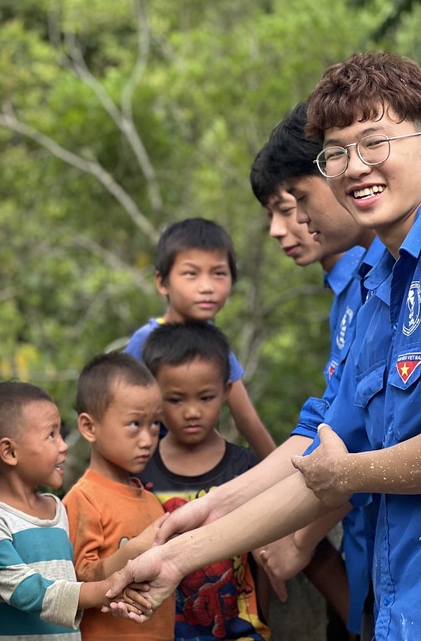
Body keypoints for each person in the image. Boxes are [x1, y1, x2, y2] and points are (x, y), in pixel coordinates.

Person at [105, 52, 421, 641]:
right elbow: (321, 449)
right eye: (336, 155)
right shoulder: (381, 284)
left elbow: (335, 469)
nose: (354, 168)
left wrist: (350, 475)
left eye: (375, 143)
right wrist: (188, 539)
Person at [251, 102, 379, 638]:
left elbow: (367, 436)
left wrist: (301, 539)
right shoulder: (347, 290)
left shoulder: (372, 281)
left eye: (295, 203)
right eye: (276, 214)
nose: (287, 227)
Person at [0, 381, 150, 641]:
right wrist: (104, 590)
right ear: (10, 451)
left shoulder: (59, 509)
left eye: (61, 434)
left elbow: (78, 578)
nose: (64, 445)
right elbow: (26, 591)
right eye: (51, 435)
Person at [141, 322, 270, 641]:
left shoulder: (246, 470)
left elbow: (265, 562)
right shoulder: (139, 472)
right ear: (154, 394)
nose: (192, 412)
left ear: (227, 391)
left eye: (205, 397)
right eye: (176, 400)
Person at [125, 218, 275, 460]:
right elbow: (120, 420)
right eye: (191, 274)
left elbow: (246, 420)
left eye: (218, 273)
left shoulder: (214, 344)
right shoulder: (144, 342)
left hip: (201, 471)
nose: (207, 287)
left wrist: (282, 474)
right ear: (162, 282)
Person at [62, 351, 175, 640]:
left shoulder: (150, 500)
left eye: (154, 424)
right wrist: (135, 549)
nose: (148, 439)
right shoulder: (83, 499)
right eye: (135, 424)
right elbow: (78, 581)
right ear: (89, 427)